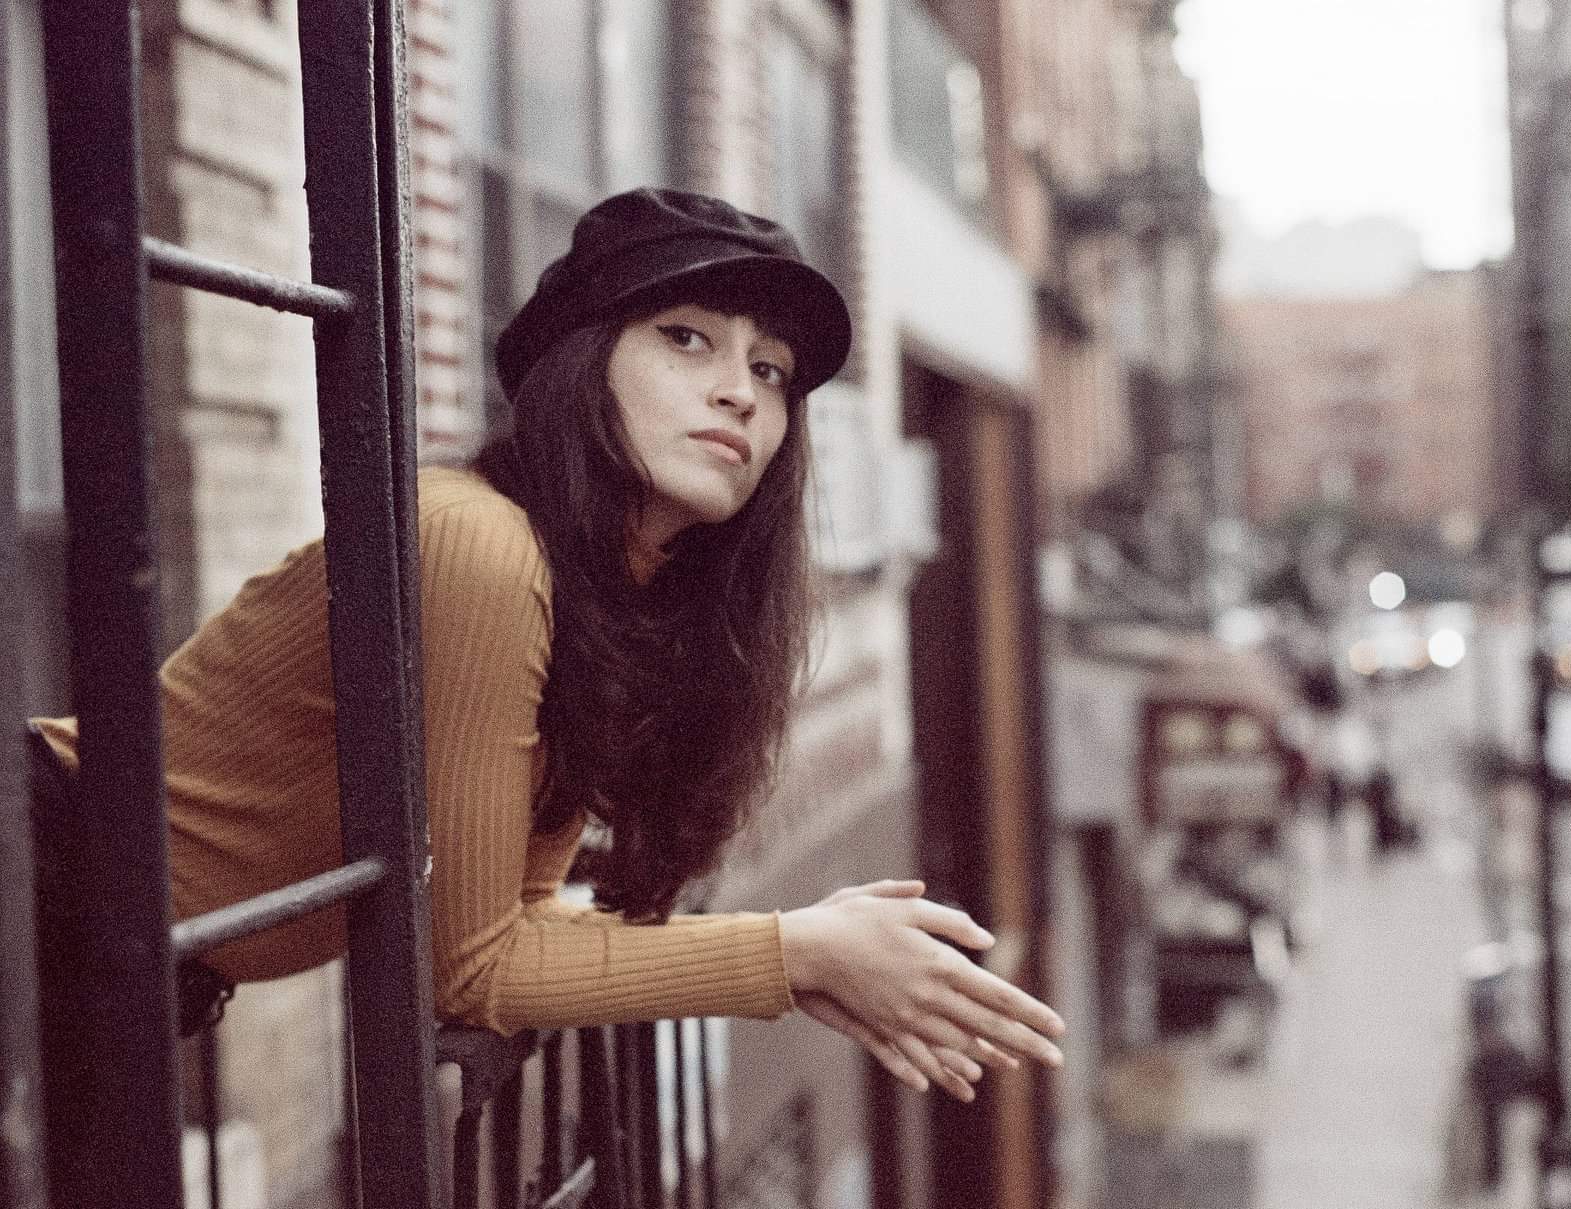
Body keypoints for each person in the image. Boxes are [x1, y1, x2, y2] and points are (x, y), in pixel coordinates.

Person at [27, 187, 1064, 1104]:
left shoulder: (592, 600)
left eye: (772, 369)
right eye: (686, 339)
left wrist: (812, 956)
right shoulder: (481, 548)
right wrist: (795, 955)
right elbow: (475, 971)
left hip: (117, 968)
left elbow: (513, 926)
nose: (742, 392)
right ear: (580, 363)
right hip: (37, 884)